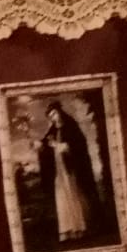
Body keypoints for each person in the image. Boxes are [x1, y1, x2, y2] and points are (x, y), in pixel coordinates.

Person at [39, 103, 100, 242]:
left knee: (74, 197)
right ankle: (67, 230)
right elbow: (45, 147)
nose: (52, 118)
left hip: (71, 169)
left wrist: (59, 146)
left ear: (60, 112)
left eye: (54, 114)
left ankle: (79, 228)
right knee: (62, 199)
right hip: (59, 171)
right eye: (50, 116)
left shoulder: (71, 127)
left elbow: (78, 146)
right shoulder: (52, 130)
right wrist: (40, 146)